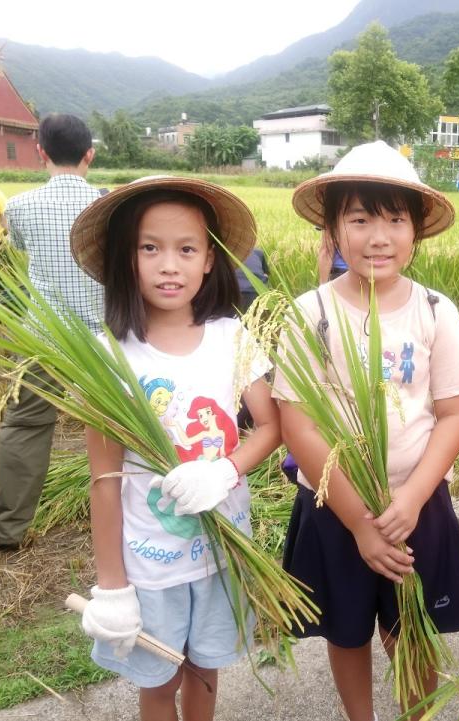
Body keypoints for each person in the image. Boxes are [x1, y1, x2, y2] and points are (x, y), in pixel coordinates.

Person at [275, 140, 459, 720]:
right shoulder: (309, 313)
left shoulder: (436, 311)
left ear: (416, 231)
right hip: (332, 504)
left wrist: (411, 499)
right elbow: (297, 422)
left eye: (395, 220)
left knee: (411, 630)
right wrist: (360, 524)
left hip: (415, 505)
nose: (378, 236)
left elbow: (454, 412)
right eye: (360, 219)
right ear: (335, 230)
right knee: (347, 631)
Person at [69, 176, 280, 720]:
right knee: (159, 681)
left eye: (186, 249)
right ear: (126, 257)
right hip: (150, 566)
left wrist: (225, 472)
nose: (169, 265)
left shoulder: (232, 338)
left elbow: (270, 427)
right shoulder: (108, 358)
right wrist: (112, 586)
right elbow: (105, 479)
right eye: (150, 248)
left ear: (210, 259)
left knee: (205, 669)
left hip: (222, 553)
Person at [0, 113, 104, 550]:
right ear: (89, 154)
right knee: (124, 426)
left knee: (26, 426)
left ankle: (7, 530)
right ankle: (134, 517)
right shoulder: (109, 204)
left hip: (44, 338)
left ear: (40, 153)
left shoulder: (18, 207)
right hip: (104, 340)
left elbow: (16, 250)